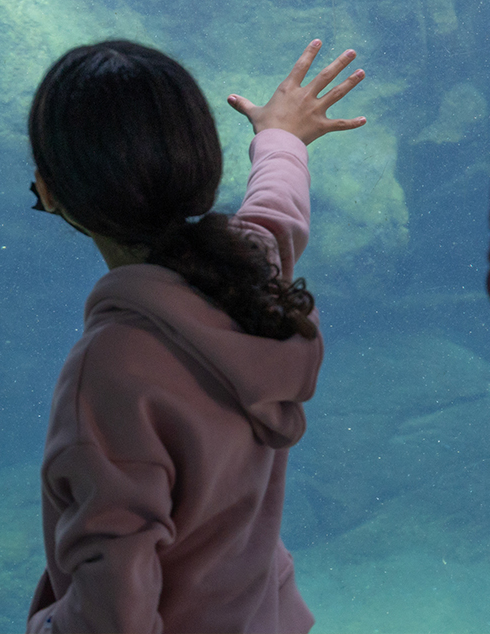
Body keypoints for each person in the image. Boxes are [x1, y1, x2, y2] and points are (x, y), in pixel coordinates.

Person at [24, 38, 366, 633]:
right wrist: (281, 137)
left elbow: (115, 609)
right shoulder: (251, 274)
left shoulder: (107, 374)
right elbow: (280, 207)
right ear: (202, 166)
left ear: (49, 192)